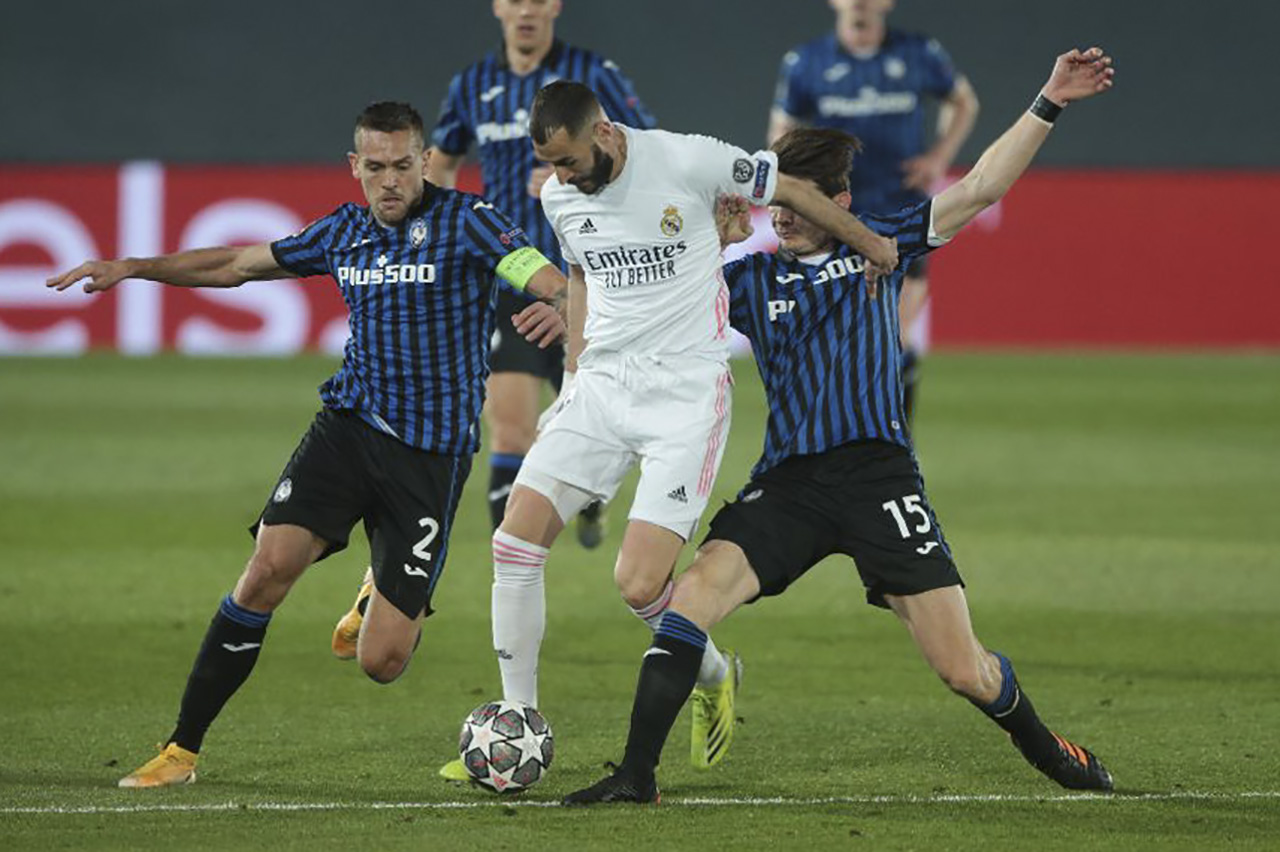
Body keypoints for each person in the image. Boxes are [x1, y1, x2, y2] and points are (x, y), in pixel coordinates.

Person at [564, 46, 1116, 805]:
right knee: (687, 604)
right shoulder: (746, 279)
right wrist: (618, 282)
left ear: (841, 201)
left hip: (878, 479)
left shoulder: (879, 246)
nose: (784, 215)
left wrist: (1047, 100)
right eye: (778, 203)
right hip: (789, 485)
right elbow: (652, 296)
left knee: (964, 670)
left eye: (801, 202)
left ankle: (1049, 749)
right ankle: (636, 776)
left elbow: (982, 186)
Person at [46, 102, 569, 788]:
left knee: (382, 661)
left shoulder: (468, 220)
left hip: (429, 457)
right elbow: (237, 264)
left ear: (426, 162)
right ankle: (182, 750)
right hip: (346, 430)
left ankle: (377, 592)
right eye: (375, 167)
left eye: (403, 165)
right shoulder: (342, 232)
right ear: (355, 166)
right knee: (267, 570)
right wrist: (135, 266)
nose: (390, 181)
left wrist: (559, 304)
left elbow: (543, 274)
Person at [476, 79, 899, 777]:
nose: (562, 179)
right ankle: (518, 719)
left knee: (640, 585)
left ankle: (714, 674)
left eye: (570, 162)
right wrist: (574, 377)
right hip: (602, 387)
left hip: (683, 396)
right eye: (552, 166)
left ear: (604, 134)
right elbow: (581, 277)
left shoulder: (687, 158)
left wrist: (871, 245)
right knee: (513, 543)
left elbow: (790, 189)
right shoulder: (559, 198)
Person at [429, 0, 657, 543]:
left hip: (589, 274)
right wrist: (436, 231)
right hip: (511, 273)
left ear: (554, 6)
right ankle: (510, 561)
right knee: (510, 430)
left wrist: (581, 175)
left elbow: (646, 150)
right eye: (515, 0)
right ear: (498, 7)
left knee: (597, 424)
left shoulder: (591, 74)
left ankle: (593, 494)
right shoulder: (472, 84)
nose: (526, 11)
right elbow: (442, 161)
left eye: (537, 0)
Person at [769, 0, 980, 426]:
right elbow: (781, 130)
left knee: (894, 337)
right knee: (831, 339)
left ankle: (894, 442)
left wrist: (939, 157)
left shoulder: (917, 52)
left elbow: (964, 102)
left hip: (902, 213)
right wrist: (789, 190)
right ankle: (832, 434)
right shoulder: (806, 62)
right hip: (833, 218)